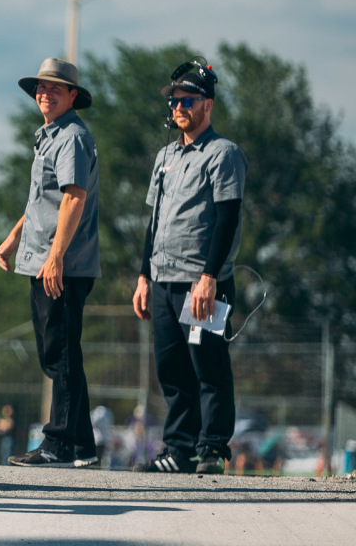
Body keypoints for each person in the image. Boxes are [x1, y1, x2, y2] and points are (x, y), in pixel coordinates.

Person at [132, 59, 247, 475]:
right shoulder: (165, 156)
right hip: (163, 281)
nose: (179, 106)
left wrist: (210, 277)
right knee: (172, 369)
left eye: (188, 99)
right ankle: (178, 450)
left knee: (208, 364)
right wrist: (144, 275)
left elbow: (227, 218)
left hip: (202, 284)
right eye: (174, 100)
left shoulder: (223, 153)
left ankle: (212, 447)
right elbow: (155, 220)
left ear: (207, 105)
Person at [0, 58, 100, 468]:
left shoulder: (71, 136)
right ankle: (82, 446)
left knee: (58, 355)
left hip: (60, 264)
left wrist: (56, 256)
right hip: (43, 257)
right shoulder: (50, 136)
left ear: (73, 95)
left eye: (56, 88)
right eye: (41, 87)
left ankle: (57, 443)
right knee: (61, 354)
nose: (46, 93)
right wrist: (14, 236)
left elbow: (74, 196)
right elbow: (44, 199)